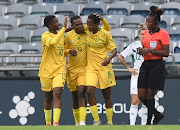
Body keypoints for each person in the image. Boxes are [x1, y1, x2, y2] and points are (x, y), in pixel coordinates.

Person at [64, 14, 111, 126]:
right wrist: (69, 51)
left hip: (85, 69)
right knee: (74, 96)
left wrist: (102, 20)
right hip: (72, 69)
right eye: (77, 25)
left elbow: (106, 30)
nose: (81, 26)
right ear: (72, 26)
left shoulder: (87, 31)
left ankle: (83, 121)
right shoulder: (68, 36)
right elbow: (63, 50)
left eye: (81, 24)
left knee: (82, 92)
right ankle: (77, 122)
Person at [137, 6, 170, 125]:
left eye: (149, 22)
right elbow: (146, 48)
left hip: (157, 65)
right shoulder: (145, 33)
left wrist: (151, 51)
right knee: (141, 95)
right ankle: (157, 114)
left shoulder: (163, 34)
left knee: (150, 95)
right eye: (146, 21)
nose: (147, 24)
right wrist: (142, 50)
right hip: (146, 65)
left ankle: (149, 122)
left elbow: (166, 53)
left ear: (156, 22)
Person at [85, 14, 117, 125]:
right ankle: (96, 120)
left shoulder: (105, 34)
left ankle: (109, 122)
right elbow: (75, 27)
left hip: (104, 66)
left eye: (90, 24)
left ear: (97, 24)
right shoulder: (87, 31)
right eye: (87, 24)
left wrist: (109, 58)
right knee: (89, 91)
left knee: (106, 94)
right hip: (90, 67)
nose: (87, 26)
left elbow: (114, 49)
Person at [38, 15, 69, 126]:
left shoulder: (60, 35)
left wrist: (69, 51)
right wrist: (64, 28)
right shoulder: (45, 36)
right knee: (48, 96)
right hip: (46, 70)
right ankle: (48, 123)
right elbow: (53, 43)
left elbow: (62, 51)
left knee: (57, 93)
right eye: (56, 22)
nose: (58, 24)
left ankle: (56, 122)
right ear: (50, 25)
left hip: (60, 69)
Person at [118, 23, 148, 125]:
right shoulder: (134, 46)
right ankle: (132, 126)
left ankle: (144, 125)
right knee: (135, 101)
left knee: (146, 102)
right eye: (142, 34)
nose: (143, 35)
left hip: (148, 76)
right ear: (138, 35)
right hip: (137, 75)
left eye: (146, 33)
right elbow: (121, 56)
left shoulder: (152, 46)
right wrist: (129, 68)